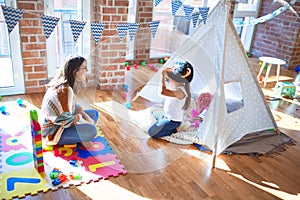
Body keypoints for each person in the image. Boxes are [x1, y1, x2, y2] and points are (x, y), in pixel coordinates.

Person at [41, 55, 98, 148]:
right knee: (92, 130)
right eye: (85, 68)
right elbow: (65, 121)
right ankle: (81, 136)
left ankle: (80, 136)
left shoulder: (66, 86)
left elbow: (74, 107)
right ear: (75, 71)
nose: (87, 71)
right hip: (53, 131)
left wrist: (87, 118)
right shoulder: (65, 90)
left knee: (94, 114)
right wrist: (84, 121)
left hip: (62, 123)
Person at [148, 61, 194, 138]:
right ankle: (163, 123)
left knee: (151, 132)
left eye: (170, 78)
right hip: (166, 115)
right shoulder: (175, 86)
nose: (168, 79)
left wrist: (162, 77)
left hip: (173, 121)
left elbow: (162, 92)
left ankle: (174, 130)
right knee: (153, 112)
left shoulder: (180, 92)